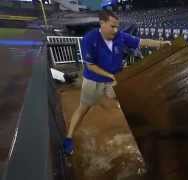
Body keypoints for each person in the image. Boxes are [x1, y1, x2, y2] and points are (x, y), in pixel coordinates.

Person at [63, 10, 171, 155]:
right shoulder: (90, 38)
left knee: (130, 99)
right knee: (83, 108)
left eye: (117, 27)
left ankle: (146, 129)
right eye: (112, 26)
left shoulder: (120, 36)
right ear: (102, 23)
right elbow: (91, 66)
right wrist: (111, 75)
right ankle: (68, 138)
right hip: (94, 80)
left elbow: (141, 41)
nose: (115, 30)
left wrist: (161, 43)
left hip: (113, 80)